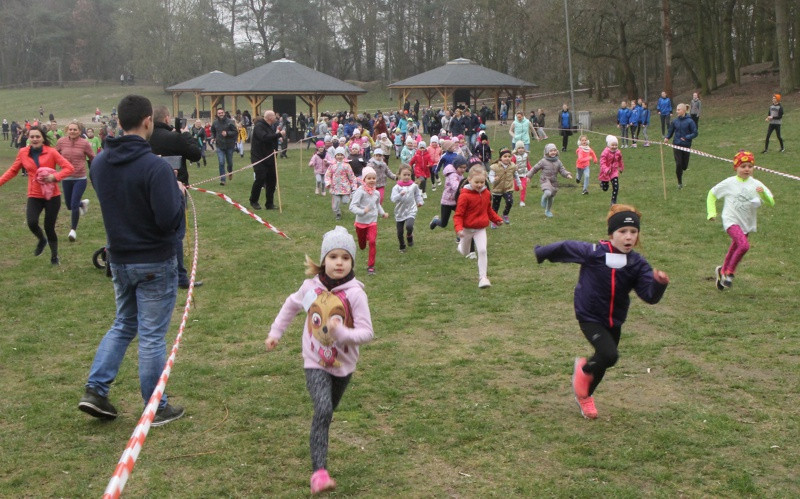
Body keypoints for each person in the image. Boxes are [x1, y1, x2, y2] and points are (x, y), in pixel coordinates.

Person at [78, 95, 186, 426]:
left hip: (120, 259)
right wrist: (177, 194)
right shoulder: (155, 167)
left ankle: (96, 390)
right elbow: (167, 219)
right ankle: (155, 406)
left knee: (124, 323)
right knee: (152, 335)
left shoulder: (99, 162)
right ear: (147, 121)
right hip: (153, 260)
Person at [265, 226, 375, 494]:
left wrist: (343, 334)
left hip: (344, 365)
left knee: (327, 412)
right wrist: (275, 333)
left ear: (352, 262)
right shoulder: (311, 289)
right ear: (323, 260)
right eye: (334, 256)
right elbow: (290, 306)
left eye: (345, 258)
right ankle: (319, 473)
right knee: (323, 410)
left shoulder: (355, 294)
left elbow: (367, 332)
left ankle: (320, 449)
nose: (339, 262)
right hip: (314, 360)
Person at [535, 205, 669, 419]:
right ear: (611, 234)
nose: (628, 237)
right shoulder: (594, 253)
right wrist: (541, 252)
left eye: (633, 232)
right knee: (609, 354)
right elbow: (566, 247)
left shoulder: (637, 263)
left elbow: (649, 296)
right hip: (589, 316)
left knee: (604, 360)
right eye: (622, 232)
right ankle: (583, 371)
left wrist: (658, 283)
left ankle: (585, 396)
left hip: (614, 319)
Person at [0, 125, 75, 265]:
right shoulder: (23, 152)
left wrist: (55, 177)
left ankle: (54, 256)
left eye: (37, 136)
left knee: (49, 227)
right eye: (32, 136)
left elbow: (69, 168)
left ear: (42, 138)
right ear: (28, 138)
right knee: (32, 222)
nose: (34, 139)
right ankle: (42, 239)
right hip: (34, 194)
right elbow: (13, 170)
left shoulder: (51, 152)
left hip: (52, 195)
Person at [148, 105, 203, 289]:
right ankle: (180, 276)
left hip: (148, 188)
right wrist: (186, 135)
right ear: (166, 119)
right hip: (175, 187)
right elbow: (195, 154)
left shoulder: (145, 138)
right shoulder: (174, 137)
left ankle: (158, 271)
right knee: (176, 232)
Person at [707, 150, 774, 290]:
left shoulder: (756, 184)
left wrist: (762, 195)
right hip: (731, 220)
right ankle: (730, 272)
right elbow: (712, 194)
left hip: (746, 222)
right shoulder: (729, 183)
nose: (747, 169)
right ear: (736, 167)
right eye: (743, 166)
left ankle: (721, 271)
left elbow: (771, 202)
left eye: (750, 166)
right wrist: (712, 212)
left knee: (735, 247)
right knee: (744, 245)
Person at [454, 165, 503, 288]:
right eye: (477, 182)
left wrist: (497, 219)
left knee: (482, 250)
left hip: (480, 229)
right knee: (464, 252)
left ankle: (483, 278)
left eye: (482, 182)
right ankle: (461, 246)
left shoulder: (486, 193)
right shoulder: (464, 196)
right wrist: (459, 229)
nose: (480, 185)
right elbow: (458, 215)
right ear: (469, 179)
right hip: (466, 229)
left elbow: (488, 209)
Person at [55, 122, 95, 242]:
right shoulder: (61, 142)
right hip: (66, 177)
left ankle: (73, 230)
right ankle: (82, 204)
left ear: (79, 131)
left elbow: (92, 157)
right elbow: (54, 155)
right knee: (69, 205)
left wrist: (96, 169)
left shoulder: (84, 143)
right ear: (67, 130)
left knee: (73, 204)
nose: (72, 131)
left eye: (75, 129)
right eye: (70, 129)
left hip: (80, 178)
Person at [349, 167, 389, 275]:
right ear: (364, 179)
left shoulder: (376, 193)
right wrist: (362, 211)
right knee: (362, 245)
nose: (372, 180)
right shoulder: (360, 192)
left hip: (372, 221)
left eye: (374, 178)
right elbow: (352, 207)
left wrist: (383, 213)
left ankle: (371, 266)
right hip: (361, 222)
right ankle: (362, 241)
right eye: (369, 178)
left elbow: (377, 205)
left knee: (372, 241)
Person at [249, 110, 285, 210]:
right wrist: (279, 134)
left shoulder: (270, 127)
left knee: (272, 181)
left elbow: (270, 139)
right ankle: (253, 200)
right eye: (274, 116)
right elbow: (264, 138)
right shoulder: (259, 126)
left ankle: (269, 204)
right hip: (259, 158)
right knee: (260, 179)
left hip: (270, 158)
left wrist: (277, 139)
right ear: (270, 117)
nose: (276, 118)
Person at [528, 143, 572, 218]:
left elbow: (562, 170)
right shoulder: (543, 161)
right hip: (545, 179)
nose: (553, 152)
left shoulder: (558, 161)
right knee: (548, 193)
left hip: (553, 181)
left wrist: (567, 174)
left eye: (554, 150)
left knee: (551, 197)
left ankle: (547, 210)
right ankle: (543, 199)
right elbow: (535, 168)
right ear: (547, 152)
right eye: (551, 151)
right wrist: (529, 176)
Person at [664, 103, 698, 189]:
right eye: (676, 110)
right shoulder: (675, 121)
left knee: (684, 166)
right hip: (676, 145)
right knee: (678, 164)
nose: (677, 111)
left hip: (686, 146)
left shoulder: (690, 121)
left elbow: (695, 133)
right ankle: (679, 182)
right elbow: (670, 131)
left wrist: (687, 137)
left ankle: (683, 169)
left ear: (683, 110)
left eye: (678, 110)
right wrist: (667, 137)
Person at [390, 165, 423, 253]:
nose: (407, 177)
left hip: (411, 210)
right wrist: (400, 194)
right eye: (404, 175)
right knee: (399, 233)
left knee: (409, 226)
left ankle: (409, 235)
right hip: (399, 212)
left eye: (408, 175)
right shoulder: (396, 188)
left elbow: (417, 195)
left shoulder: (414, 186)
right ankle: (402, 246)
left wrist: (420, 201)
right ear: (399, 175)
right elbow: (393, 199)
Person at [430, 155, 467, 231]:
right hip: (447, 202)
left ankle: (460, 236)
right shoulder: (452, 175)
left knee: (463, 216)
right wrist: (465, 190)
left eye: (464, 167)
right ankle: (435, 221)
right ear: (456, 166)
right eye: (461, 167)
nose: (463, 170)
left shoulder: (460, 174)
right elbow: (455, 186)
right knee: (443, 223)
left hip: (456, 201)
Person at [325, 147, 358, 220]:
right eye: (338, 155)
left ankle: (346, 198)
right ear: (335, 156)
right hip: (335, 188)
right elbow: (327, 175)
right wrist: (328, 183)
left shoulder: (347, 165)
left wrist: (354, 186)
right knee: (335, 205)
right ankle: (338, 213)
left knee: (345, 201)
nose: (339, 156)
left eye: (341, 155)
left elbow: (351, 176)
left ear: (344, 156)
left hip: (345, 188)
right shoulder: (332, 165)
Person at [488, 147, 519, 226]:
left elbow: (516, 175)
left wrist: (519, 184)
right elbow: (490, 176)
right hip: (497, 189)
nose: (507, 158)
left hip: (508, 188)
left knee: (510, 201)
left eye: (509, 156)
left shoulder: (513, 166)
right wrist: (493, 179)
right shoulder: (495, 166)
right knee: (495, 207)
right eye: (505, 156)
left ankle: (505, 214)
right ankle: (494, 221)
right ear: (500, 158)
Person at [211, 107, 237, 185]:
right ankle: (223, 180)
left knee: (230, 162)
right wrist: (213, 137)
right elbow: (213, 131)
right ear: (217, 114)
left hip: (229, 145)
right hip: (219, 145)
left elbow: (235, 132)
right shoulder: (215, 123)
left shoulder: (230, 122)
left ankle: (230, 171)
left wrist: (227, 133)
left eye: (222, 113)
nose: (220, 114)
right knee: (221, 162)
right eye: (219, 113)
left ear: (224, 113)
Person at [599, 135, 624, 205]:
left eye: (616, 145)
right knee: (605, 188)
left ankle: (613, 201)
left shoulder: (618, 152)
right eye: (612, 145)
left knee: (616, 186)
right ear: (609, 145)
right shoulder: (605, 152)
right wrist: (606, 169)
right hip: (606, 172)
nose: (614, 147)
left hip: (614, 171)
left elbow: (620, 160)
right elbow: (602, 162)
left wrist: (621, 167)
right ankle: (602, 184)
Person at [512, 141, 532, 206]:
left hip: (524, 174)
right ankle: (516, 186)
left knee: (523, 187)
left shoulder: (526, 155)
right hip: (516, 175)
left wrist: (531, 171)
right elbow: (511, 165)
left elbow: (527, 164)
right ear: (516, 149)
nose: (521, 149)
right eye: (519, 148)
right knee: (516, 188)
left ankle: (522, 201)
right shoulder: (514, 157)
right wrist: (514, 167)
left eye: (522, 148)